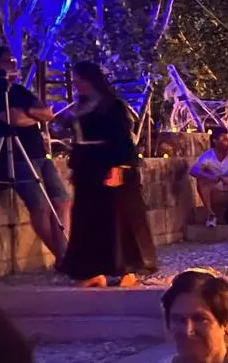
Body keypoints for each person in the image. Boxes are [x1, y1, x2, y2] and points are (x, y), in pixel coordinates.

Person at [56, 61, 157, 288]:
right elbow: (79, 140)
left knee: (116, 219)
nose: (76, 84)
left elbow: (122, 140)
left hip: (108, 163)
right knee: (87, 218)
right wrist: (76, 167)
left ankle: (126, 268)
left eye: (79, 79)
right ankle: (93, 269)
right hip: (87, 167)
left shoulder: (112, 107)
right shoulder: (81, 106)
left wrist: (118, 167)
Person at [0, 46, 69, 261]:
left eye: (14, 60)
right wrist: (32, 115)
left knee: (62, 199)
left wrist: (29, 114)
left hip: (38, 152)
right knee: (40, 206)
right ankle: (61, 258)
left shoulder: (18, 90)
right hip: (15, 155)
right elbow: (11, 118)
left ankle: (66, 251)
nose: (13, 64)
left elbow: (47, 113)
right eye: (8, 60)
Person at [190, 128, 228, 227]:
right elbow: (193, 170)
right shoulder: (208, 156)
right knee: (201, 181)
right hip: (216, 189)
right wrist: (210, 176)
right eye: (224, 140)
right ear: (215, 141)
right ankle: (211, 214)